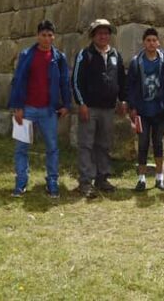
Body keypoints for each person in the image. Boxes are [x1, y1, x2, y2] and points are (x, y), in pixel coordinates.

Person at [7, 20, 71, 198]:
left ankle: (52, 181)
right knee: (21, 148)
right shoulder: (27, 54)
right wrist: (17, 107)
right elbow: (18, 82)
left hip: (48, 110)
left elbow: (64, 82)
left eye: (50, 35)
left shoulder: (59, 58)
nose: (47, 38)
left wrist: (66, 104)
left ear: (54, 37)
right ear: (38, 36)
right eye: (43, 35)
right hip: (27, 109)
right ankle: (21, 182)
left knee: (52, 147)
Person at [72, 19, 127, 198]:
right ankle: (85, 181)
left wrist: (123, 100)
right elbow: (76, 81)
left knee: (104, 145)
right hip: (90, 108)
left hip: (108, 109)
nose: (103, 36)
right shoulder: (85, 54)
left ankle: (102, 178)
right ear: (93, 35)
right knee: (86, 145)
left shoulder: (115, 55)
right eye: (100, 33)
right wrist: (82, 104)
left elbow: (122, 79)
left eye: (106, 33)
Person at [126, 27, 164, 191]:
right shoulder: (136, 62)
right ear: (143, 42)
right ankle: (141, 178)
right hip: (142, 110)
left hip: (160, 110)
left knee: (159, 143)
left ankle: (160, 178)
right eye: (148, 40)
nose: (152, 43)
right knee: (143, 143)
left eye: (154, 40)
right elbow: (130, 86)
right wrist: (132, 106)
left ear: (158, 42)